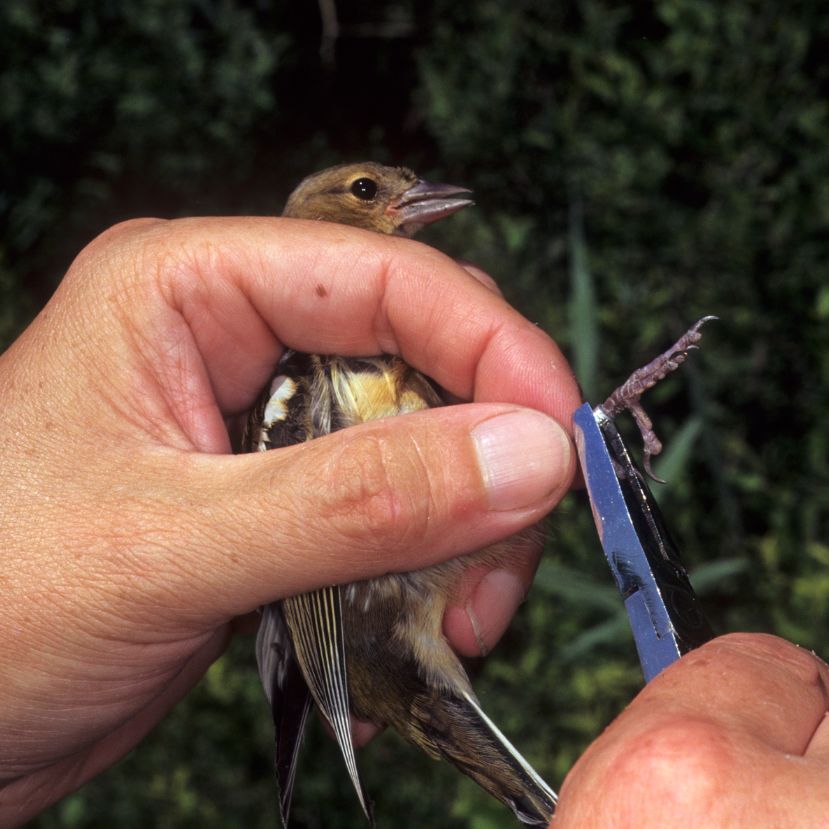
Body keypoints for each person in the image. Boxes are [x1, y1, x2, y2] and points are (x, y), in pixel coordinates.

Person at [0, 218, 826, 827]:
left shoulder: (390, 367)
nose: (409, 200)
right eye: (370, 192)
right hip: (371, 636)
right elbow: (299, 594)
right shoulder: (292, 389)